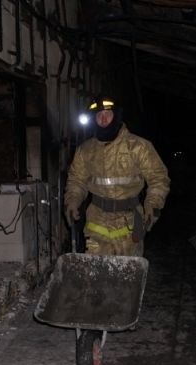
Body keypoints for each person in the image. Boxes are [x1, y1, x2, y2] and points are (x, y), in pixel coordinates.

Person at [64, 96, 170, 256]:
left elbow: (158, 178)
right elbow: (76, 181)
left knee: (127, 269)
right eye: (99, 115)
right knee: (95, 269)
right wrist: (72, 201)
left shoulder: (138, 146)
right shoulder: (85, 150)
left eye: (107, 114)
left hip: (128, 224)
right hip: (96, 222)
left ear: (116, 116)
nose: (103, 119)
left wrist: (153, 204)